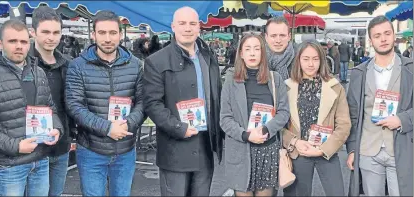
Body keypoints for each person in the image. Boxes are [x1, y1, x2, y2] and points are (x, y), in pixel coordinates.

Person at [0, 19, 63, 196]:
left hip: (40, 159)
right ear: (0, 43)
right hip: (9, 165)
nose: (19, 46)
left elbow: (50, 108)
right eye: (12, 41)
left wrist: (57, 129)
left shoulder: (38, 72)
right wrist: (15, 146)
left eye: (23, 41)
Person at [143, 6, 223, 196]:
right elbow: (152, 104)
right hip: (175, 149)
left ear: (199, 28)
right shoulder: (156, 61)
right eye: (182, 23)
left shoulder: (208, 58)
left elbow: (216, 96)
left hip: (206, 145)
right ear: (173, 27)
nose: (188, 28)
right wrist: (179, 128)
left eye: (192, 23)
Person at [65, 10, 144, 196]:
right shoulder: (78, 66)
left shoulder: (135, 65)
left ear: (121, 34)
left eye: (112, 33)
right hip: (92, 150)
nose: (107, 38)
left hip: (125, 149)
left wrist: (127, 124)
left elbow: (143, 102)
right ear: (93, 35)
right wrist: (107, 128)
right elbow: (74, 106)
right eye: (102, 33)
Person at [346, 15, 413, 197]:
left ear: (394, 36)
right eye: (377, 36)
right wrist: (352, 149)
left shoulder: (410, 69)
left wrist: (402, 119)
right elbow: (352, 115)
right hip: (368, 150)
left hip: (402, 149)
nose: (383, 39)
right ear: (370, 40)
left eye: (386, 33)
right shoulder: (359, 73)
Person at [220, 32, 290, 197]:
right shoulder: (231, 81)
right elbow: (225, 118)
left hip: (267, 151)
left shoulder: (275, 79)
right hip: (241, 149)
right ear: (241, 54)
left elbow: (283, 112)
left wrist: (266, 130)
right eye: (248, 49)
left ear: (263, 52)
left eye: (257, 49)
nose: (252, 53)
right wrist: (246, 135)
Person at [282, 40, 351, 196]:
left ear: (322, 60)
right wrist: (294, 142)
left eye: (315, 59)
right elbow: (278, 125)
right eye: (306, 59)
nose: (311, 64)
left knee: (336, 192)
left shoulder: (335, 87)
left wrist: (323, 150)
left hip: (326, 151)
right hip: (298, 151)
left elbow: (344, 124)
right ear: (298, 60)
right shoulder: (285, 87)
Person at [28, 7, 76, 196]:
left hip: (60, 146)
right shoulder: (22, 63)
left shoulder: (68, 65)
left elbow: (71, 103)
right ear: (33, 32)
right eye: (46, 32)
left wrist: (72, 134)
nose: (51, 37)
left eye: (56, 32)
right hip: (31, 148)